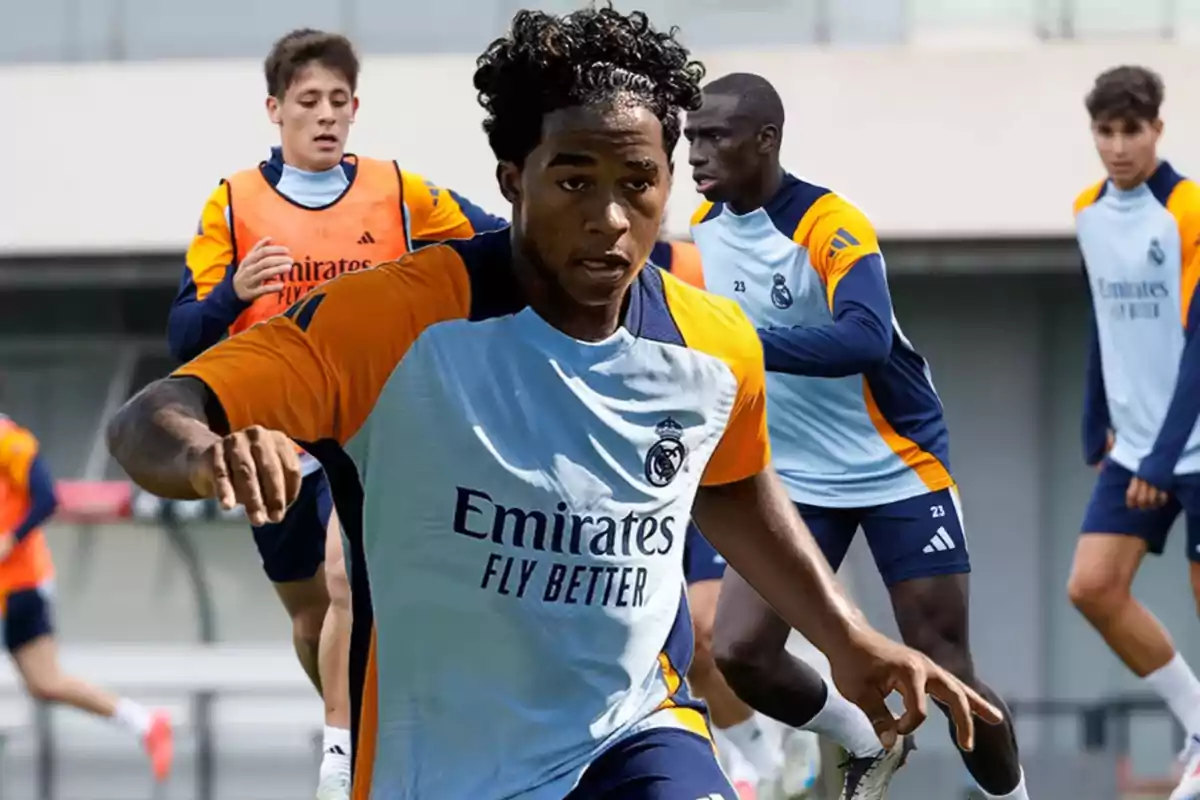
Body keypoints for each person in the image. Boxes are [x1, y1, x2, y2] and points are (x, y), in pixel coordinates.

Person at [107, 7, 1001, 799]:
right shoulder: (391, 323)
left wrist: (845, 638)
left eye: (639, 181)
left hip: (636, 736)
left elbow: (731, 484)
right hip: (442, 764)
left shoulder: (713, 344)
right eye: (574, 181)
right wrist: (202, 453)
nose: (611, 217)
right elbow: (151, 415)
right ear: (511, 178)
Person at [165, 28, 506, 800]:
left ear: (356, 109)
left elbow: (505, 242)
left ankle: (341, 756)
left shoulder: (401, 192)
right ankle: (349, 714)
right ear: (274, 109)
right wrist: (233, 295)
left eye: (339, 102)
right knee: (314, 619)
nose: (325, 116)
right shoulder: (233, 203)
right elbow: (183, 337)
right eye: (308, 102)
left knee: (346, 576)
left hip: (376, 427)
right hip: (276, 439)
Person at [678, 72, 1029, 800]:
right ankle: (864, 740)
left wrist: (739, 340)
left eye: (714, 138)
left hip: (896, 461)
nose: (697, 155)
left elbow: (864, 339)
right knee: (739, 651)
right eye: (691, 139)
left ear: (766, 141)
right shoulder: (704, 231)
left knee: (946, 665)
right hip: (796, 476)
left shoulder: (831, 224)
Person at [1064, 65, 1200, 800]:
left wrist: (1164, 451)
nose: (1117, 147)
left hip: (1189, 445)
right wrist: (1096, 426)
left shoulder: (1189, 210)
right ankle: (1197, 719)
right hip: (1134, 448)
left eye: (1131, 131)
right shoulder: (1087, 210)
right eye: (1105, 132)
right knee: (1092, 588)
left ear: (1157, 129)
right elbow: (1104, 322)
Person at [652, 241, 819, 799]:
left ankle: (791, 725)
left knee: (707, 626)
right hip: (642, 478)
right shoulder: (567, 276)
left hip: (718, 467)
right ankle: (758, 753)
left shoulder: (699, 270)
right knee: (678, 646)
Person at [0, 414, 172, 781]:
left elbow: (46, 498)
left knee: (45, 680)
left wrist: (10, 540)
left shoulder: (8, 440)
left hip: (20, 584)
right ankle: (144, 723)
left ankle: (144, 723)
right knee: (44, 683)